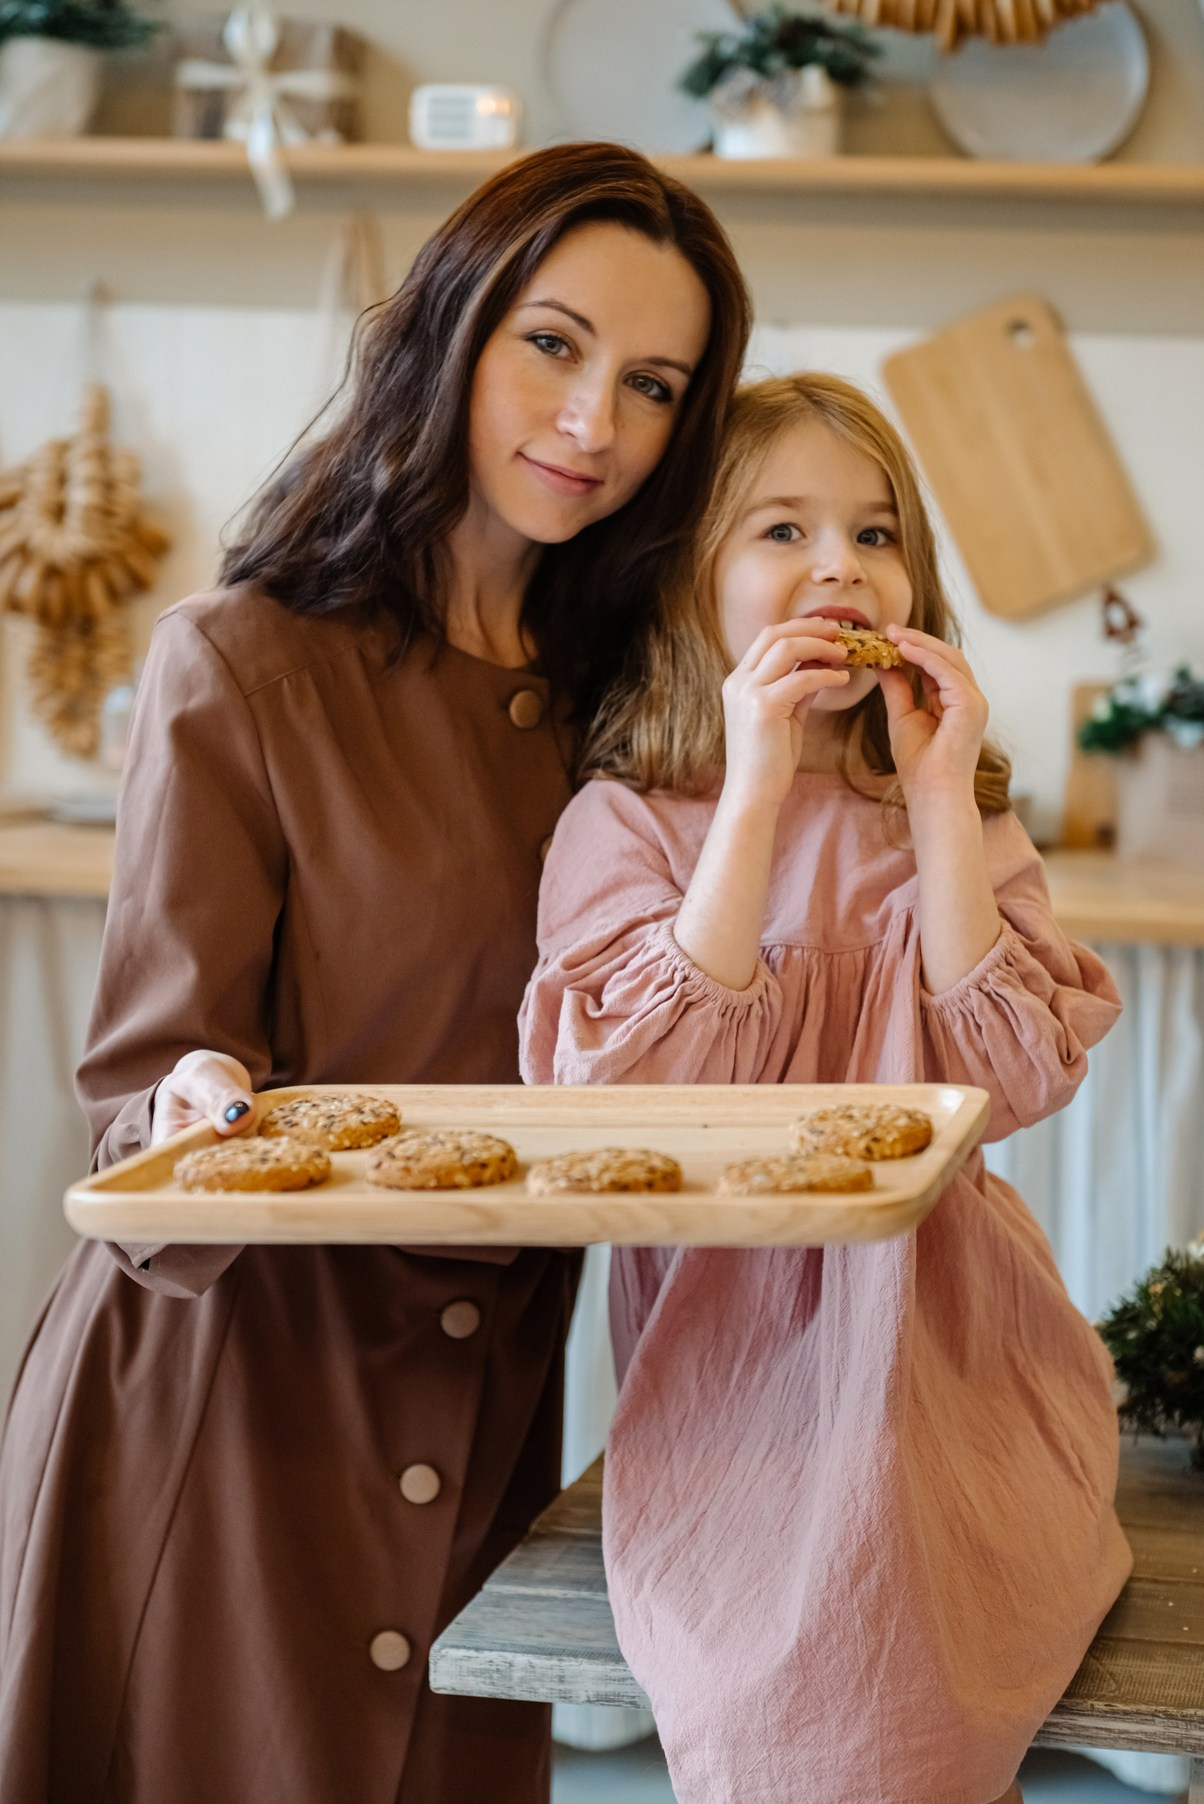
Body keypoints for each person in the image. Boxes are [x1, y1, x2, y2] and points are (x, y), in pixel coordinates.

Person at [0, 144, 752, 1804]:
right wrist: (196, 1102)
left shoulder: (630, 712)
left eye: (650, 384)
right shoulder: (245, 659)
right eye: (550, 346)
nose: (593, 422)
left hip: (487, 1408)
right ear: (452, 333)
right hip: (234, 1413)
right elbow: (153, 1072)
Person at [520, 373, 1132, 1804]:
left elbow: (1012, 1075)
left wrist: (936, 804)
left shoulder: (958, 820)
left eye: (874, 533)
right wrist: (752, 785)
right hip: (728, 1362)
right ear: (691, 583)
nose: (839, 568)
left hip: (957, 1349)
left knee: (933, 1642)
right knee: (770, 1672)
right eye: (781, 532)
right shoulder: (625, 821)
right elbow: (638, 1089)